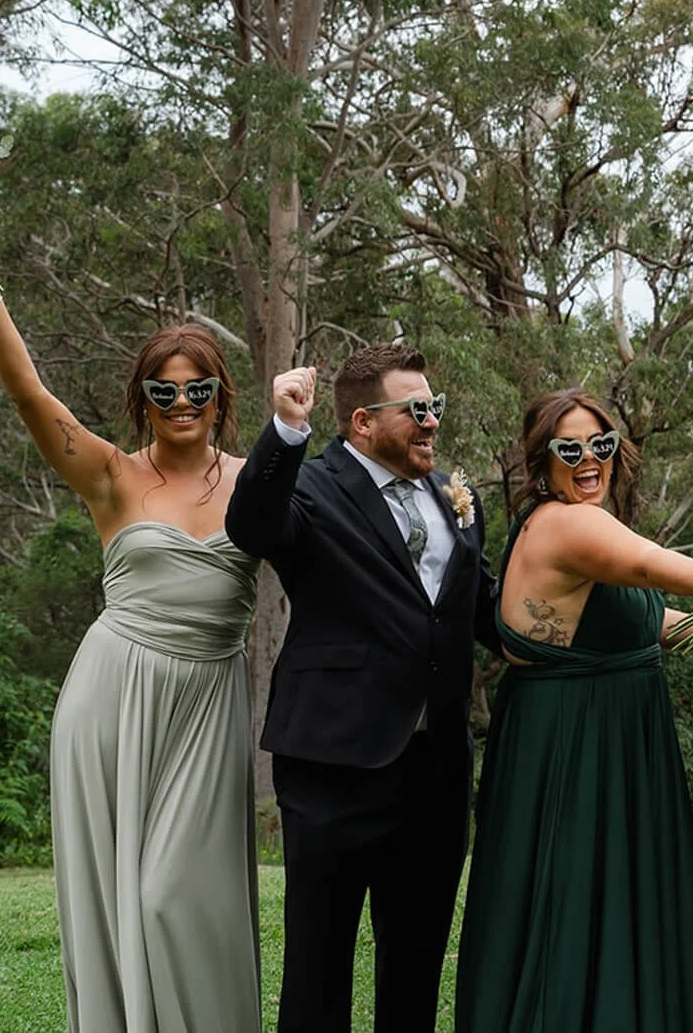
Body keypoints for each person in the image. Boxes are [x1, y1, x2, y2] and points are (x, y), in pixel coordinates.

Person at [0, 231, 263, 1033]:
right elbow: (28, 394)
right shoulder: (111, 476)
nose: (182, 405)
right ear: (143, 400)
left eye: (197, 391)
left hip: (206, 702)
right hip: (113, 695)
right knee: (119, 895)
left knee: (176, 894)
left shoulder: (260, 483)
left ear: (221, 397)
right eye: (164, 392)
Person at [225, 345, 496, 1032]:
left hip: (435, 771)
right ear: (363, 423)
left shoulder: (455, 499)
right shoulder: (310, 488)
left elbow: (485, 609)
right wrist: (286, 431)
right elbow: (251, 526)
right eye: (418, 410)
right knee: (319, 969)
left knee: (415, 965)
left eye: (436, 407)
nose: (433, 421)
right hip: (333, 765)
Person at [455, 389, 693, 1032]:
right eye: (570, 448)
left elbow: (641, 623)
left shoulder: (581, 522)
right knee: (573, 900)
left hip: (605, 735)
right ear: (542, 461)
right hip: (576, 746)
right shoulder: (564, 521)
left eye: (601, 445)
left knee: (599, 899)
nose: (589, 459)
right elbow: (647, 565)